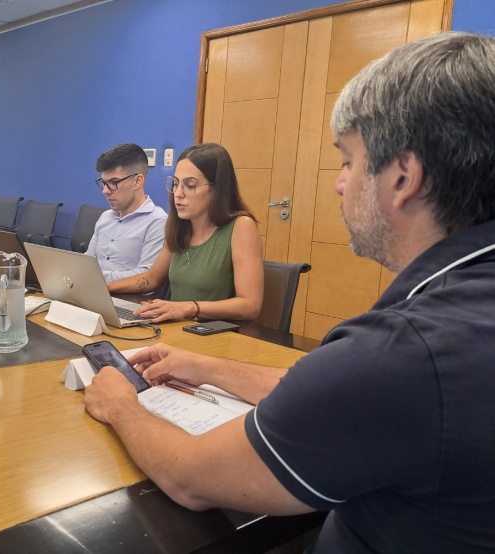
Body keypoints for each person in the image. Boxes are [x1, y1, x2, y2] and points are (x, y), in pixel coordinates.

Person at [84, 32, 495, 553]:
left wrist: (122, 405)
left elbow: (192, 477)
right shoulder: (463, 301)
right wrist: (205, 366)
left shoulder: (407, 350)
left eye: (348, 161)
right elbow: (324, 386)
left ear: (403, 177)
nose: (340, 183)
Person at [106, 143, 263, 322]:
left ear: (217, 188)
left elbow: (250, 306)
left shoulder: (241, 226)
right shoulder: (181, 227)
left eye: (190, 185)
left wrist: (190, 307)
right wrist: (105, 287)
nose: (178, 193)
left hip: (215, 333)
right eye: (175, 184)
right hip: (177, 329)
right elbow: (152, 279)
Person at [86, 144, 168, 281]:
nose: (105, 191)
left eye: (113, 182)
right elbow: (89, 260)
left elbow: (146, 276)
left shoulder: (157, 221)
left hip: (125, 294)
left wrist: (97, 278)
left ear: (137, 181)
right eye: (103, 183)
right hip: (92, 289)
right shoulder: (105, 217)